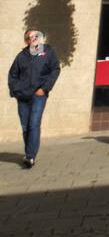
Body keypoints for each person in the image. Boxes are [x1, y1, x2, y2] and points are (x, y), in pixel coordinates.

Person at [7, 29, 60, 168]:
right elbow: (13, 75)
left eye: (38, 36)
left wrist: (44, 88)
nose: (36, 38)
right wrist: (15, 91)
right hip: (22, 96)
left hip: (38, 95)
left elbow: (55, 69)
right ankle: (28, 153)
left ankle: (30, 157)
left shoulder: (48, 52)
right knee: (25, 126)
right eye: (32, 37)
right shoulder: (21, 56)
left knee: (34, 124)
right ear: (27, 41)